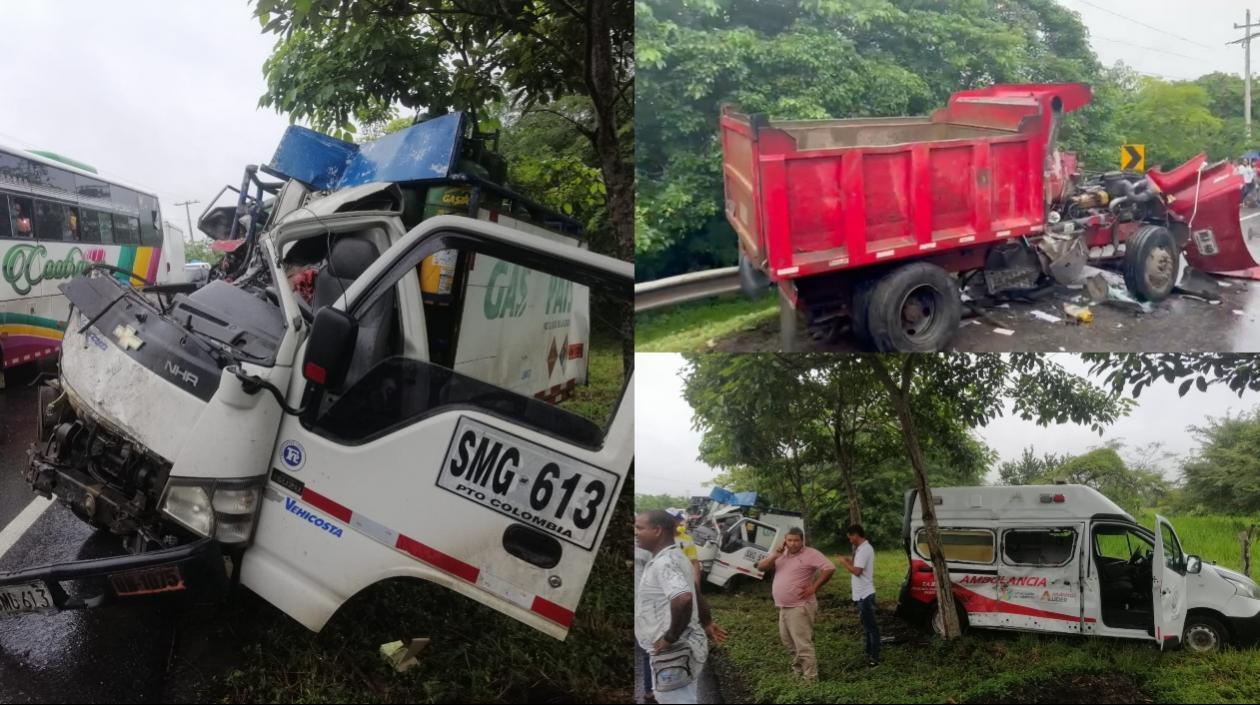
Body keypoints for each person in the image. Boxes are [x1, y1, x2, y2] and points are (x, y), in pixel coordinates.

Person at [636, 510, 717, 705]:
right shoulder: (677, 557)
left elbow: (683, 598)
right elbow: (695, 592)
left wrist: (670, 637)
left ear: (657, 530)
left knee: (675, 700)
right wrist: (706, 621)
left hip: (674, 652)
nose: (635, 532)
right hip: (678, 650)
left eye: (640, 528)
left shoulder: (665, 563)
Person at [754, 527, 835, 681]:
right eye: (789, 540)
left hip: (800, 606)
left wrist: (814, 587)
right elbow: (760, 567)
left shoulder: (810, 553)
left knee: (802, 644)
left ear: (802, 540)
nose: (793, 544)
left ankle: (811, 679)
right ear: (785, 540)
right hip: (783, 606)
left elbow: (830, 568)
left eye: (796, 540)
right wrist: (775, 556)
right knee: (788, 643)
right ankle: (798, 673)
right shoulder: (780, 554)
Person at [837, 523, 880, 667]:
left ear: (855, 535)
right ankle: (869, 652)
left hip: (865, 594)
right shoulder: (862, 549)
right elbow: (858, 566)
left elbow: (857, 571)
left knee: (871, 628)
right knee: (868, 627)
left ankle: (874, 658)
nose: (850, 540)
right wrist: (850, 561)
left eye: (850, 538)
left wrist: (844, 563)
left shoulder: (864, 550)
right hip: (862, 594)